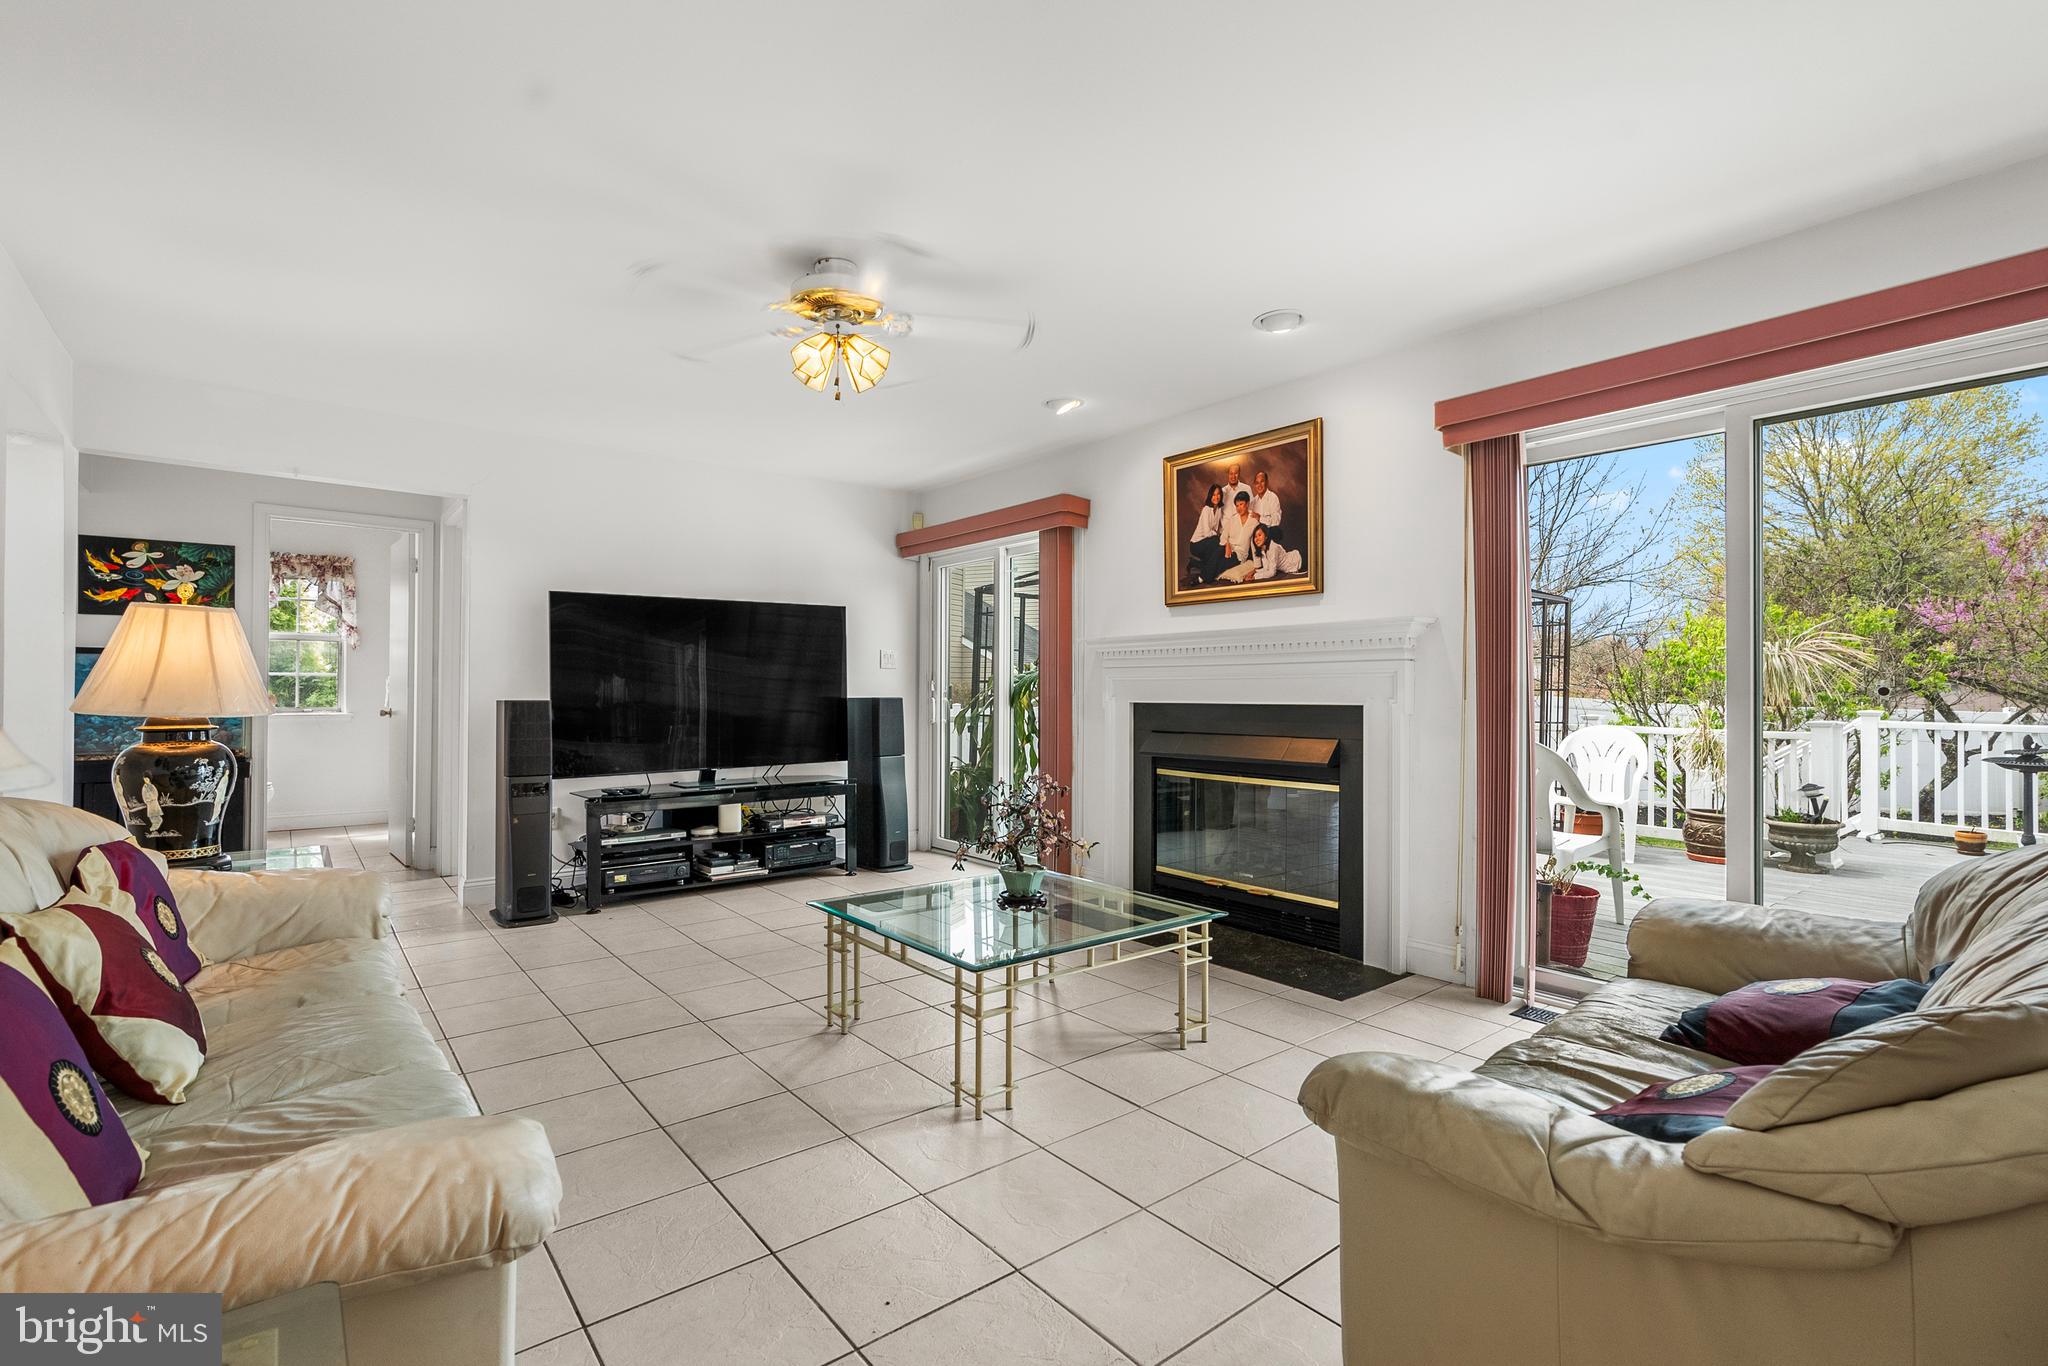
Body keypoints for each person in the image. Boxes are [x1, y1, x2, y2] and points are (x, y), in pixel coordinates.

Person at [1186, 483, 1226, 584]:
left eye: (1218, 494)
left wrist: (1225, 536)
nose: (1216, 497)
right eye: (1213, 494)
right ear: (1210, 496)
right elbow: (1207, 532)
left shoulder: (1219, 510)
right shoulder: (1206, 510)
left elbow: (1218, 528)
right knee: (1217, 541)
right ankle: (1205, 576)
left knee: (1213, 558)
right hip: (1196, 544)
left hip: (1207, 543)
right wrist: (1218, 535)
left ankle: (1195, 564)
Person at [1219, 520, 1284, 583]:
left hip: (1293, 564)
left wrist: (1254, 577)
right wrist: (1252, 572)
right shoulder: (1263, 549)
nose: (1257, 539)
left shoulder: (1273, 547)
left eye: (1259, 535)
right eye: (1255, 537)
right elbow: (1266, 568)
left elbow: (1272, 572)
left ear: (1266, 536)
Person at [1218, 490, 1258, 570]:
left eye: (1241, 504)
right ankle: (1201, 577)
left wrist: (1257, 565)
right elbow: (1223, 537)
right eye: (1237, 506)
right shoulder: (1232, 519)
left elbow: (1255, 544)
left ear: (1247, 504)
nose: (1239, 508)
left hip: (1239, 556)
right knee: (1216, 555)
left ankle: (1200, 576)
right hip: (1227, 549)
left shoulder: (1254, 521)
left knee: (1219, 565)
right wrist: (1227, 544)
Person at [1250, 470, 1282, 542]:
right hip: (1256, 537)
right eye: (1257, 483)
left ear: (1267, 482)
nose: (1259, 485)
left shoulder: (1273, 498)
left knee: (1276, 531)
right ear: (1254, 485)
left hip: (1270, 534)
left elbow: (1276, 521)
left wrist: (1260, 518)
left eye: (1262, 481)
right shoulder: (1253, 502)